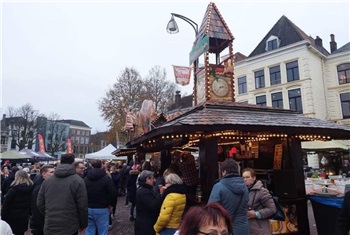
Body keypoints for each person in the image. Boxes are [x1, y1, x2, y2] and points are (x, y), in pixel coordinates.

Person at [37, 153, 88, 235]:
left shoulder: (47, 181)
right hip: (70, 225)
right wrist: (83, 224)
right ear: (72, 163)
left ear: (60, 162)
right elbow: (82, 205)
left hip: (51, 224)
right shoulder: (78, 181)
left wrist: (49, 213)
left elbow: (40, 203)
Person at [208, 159, 249, 235]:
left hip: (225, 229)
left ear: (224, 172)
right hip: (243, 228)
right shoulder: (245, 187)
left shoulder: (218, 187)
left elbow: (211, 209)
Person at [84, 159, 117, 235]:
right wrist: (112, 204)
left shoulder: (86, 179)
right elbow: (113, 193)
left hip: (88, 207)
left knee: (89, 231)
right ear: (102, 165)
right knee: (102, 231)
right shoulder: (106, 179)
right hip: (102, 208)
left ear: (91, 166)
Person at [242, 168, 276, 235]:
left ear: (254, 178)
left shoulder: (262, 191)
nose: (245, 179)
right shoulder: (243, 191)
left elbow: (272, 209)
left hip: (260, 229)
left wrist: (256, 214)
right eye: (243, 178)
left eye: (247, 177)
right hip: (248, 229)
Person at [1, 169, 34, 235]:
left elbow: (6, 205)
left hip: (11, 217)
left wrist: (3, 217)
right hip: (24, 216)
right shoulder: (32, 188)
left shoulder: (13, 190)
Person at [134, 170, 162, 235]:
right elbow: (153, 205)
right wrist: (160, 194)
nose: (154, 180)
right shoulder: (144, 192)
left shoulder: (145, 189)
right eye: (152, 178)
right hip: (145, 225)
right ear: (147, 179)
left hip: (146, 223)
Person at [30, 165, 55, 235]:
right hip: (41, 224)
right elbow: (36, 208)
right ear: (43, 174)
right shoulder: (39, 187)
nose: (54, 174)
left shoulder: (49, 184)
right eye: (51, 172)